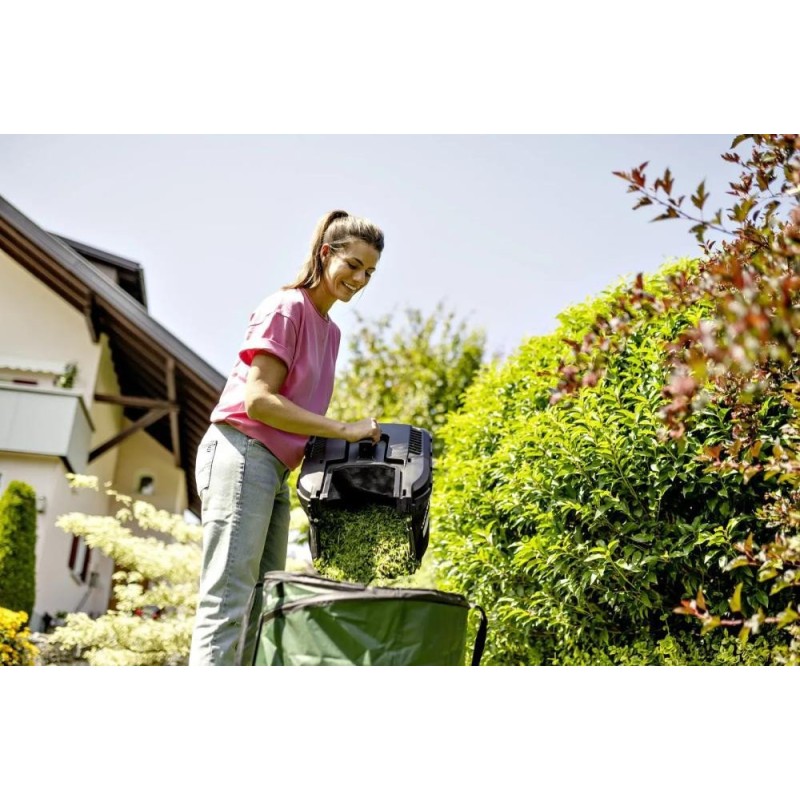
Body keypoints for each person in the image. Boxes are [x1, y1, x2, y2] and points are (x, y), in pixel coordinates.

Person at [189, 209, 384, 666]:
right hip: (242, 453)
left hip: (275, 470)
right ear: (326, 254)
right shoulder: (286, 307)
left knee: (260, 606)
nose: (359, 279)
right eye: (353, 265)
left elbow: (302, 418)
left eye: (370, 273)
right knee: (228, 598)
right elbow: (259, 401)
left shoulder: (331, 333)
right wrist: (344, 429)